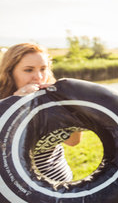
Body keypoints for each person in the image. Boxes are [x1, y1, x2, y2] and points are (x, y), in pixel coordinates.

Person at [0, 43, 82, 182]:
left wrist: (71, 107)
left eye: (43, 69)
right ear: (10, 72)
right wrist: (16, 103)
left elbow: (73, 141)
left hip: (62, 186)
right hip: (18, 194)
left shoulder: (53, 100)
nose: (38, 77)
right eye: (28, 70)